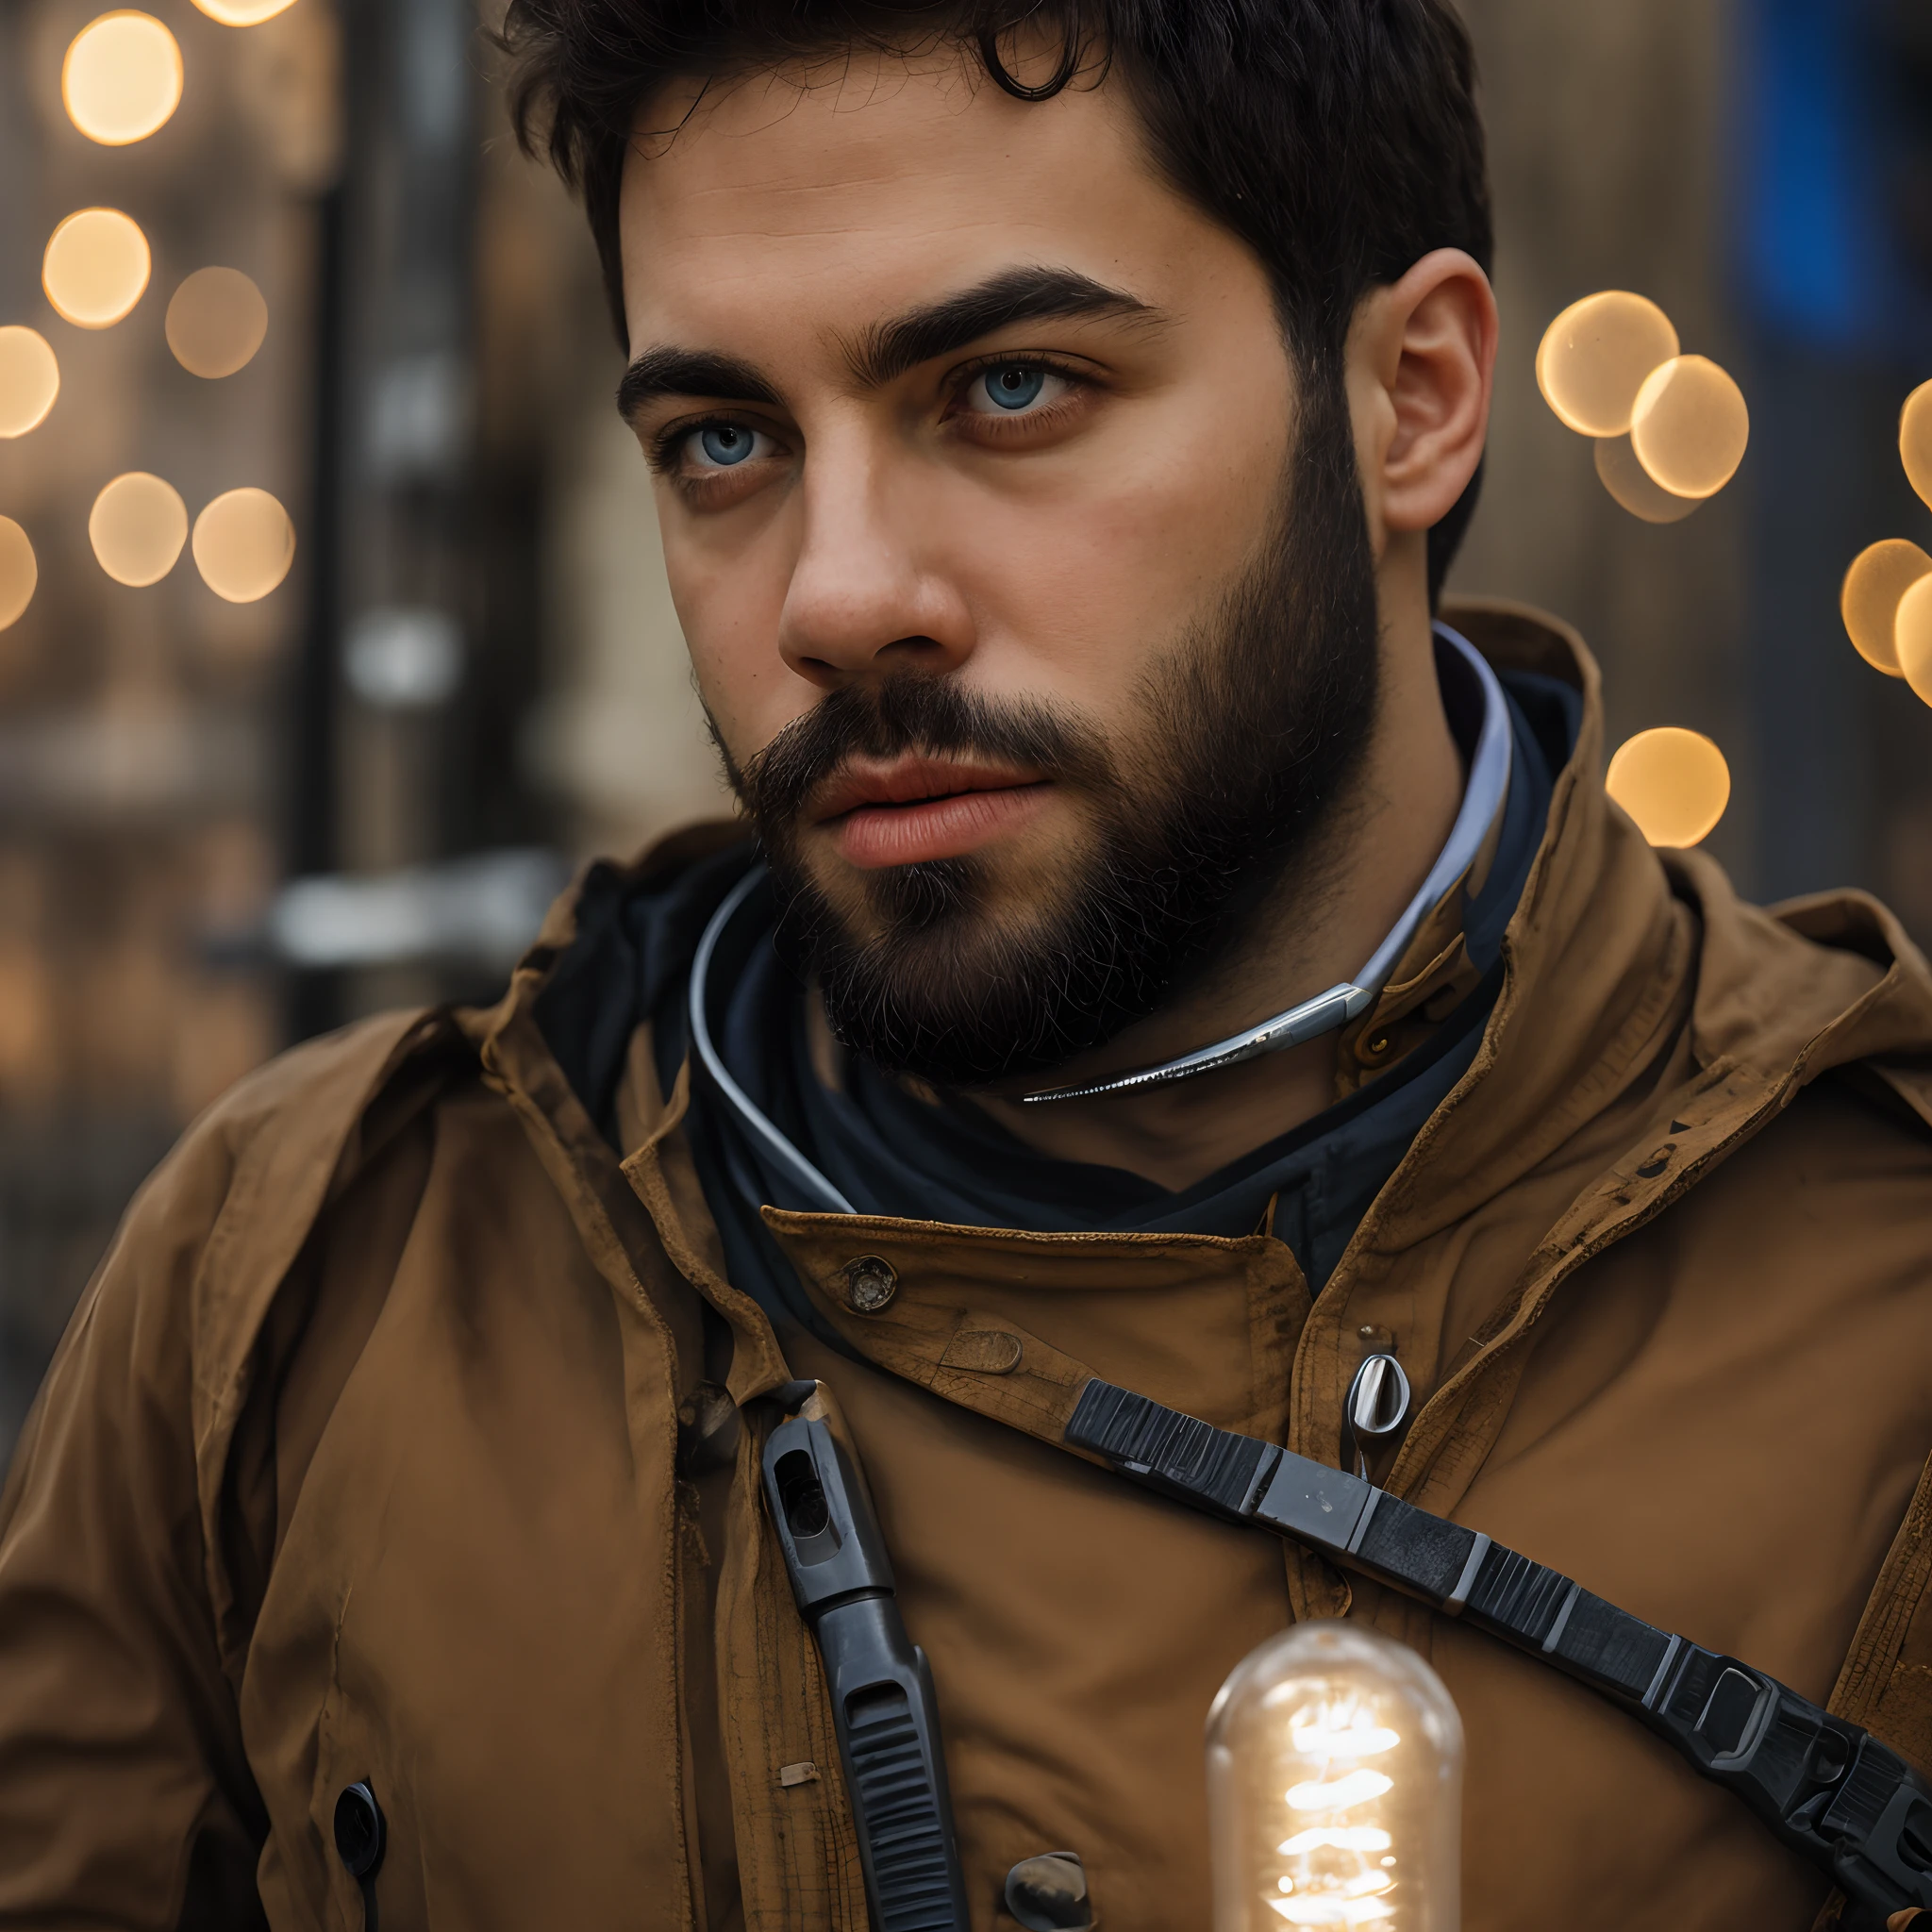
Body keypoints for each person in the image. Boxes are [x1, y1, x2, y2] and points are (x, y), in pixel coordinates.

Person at [4, 4, 1932, 1928]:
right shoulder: (316, 1280)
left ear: (1410, 397)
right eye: (726, 439)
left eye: (1009, 389)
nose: (837, 596)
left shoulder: (1874, 1299)